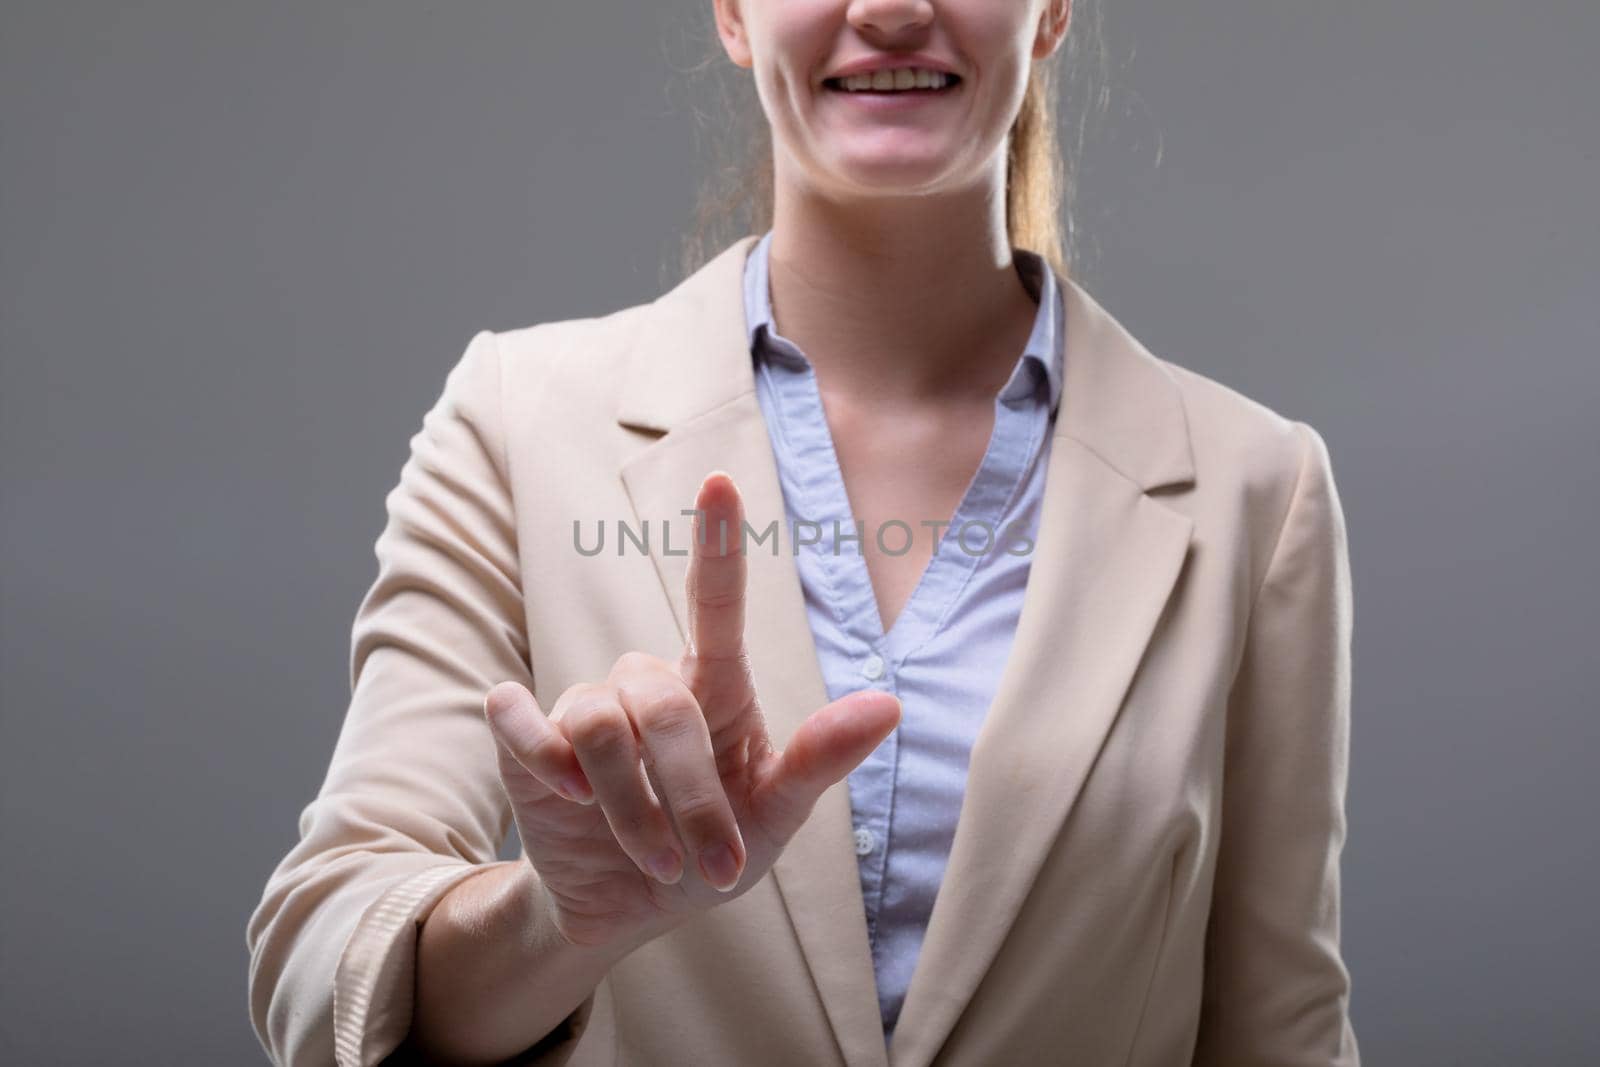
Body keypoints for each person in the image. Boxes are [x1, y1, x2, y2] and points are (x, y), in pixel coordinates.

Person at [246, 1, 1360, 1064]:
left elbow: (1283, 1029)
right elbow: (322, 955)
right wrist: (565, 919)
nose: (889, 8)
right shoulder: (514, 420)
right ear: (732, 14)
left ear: (1053, 9)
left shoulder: (1256, 490)